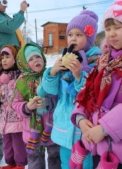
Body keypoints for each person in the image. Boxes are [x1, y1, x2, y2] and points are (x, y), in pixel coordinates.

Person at [71, 0, 122, 168]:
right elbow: (88, 91)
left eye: (118, 27)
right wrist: (80, 117)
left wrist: (104, 129)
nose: (111, 34)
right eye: (108, 29)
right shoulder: (105, 62)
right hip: (101, 146)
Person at [41, 10, 102, 169]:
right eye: (70, 34)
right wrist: (53, 72)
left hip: (83, 126)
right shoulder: (65, 58)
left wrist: (78, 75)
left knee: (84, 163)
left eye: (79, 34)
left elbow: (92, 92)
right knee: (66, 162)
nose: (73, 38)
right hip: (63, 122)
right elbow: (51, 90)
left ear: (89, 38)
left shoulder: (96, 61)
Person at [12, 43, 61, 169]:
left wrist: (49, 102)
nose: (36, 60)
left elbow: (60, 97)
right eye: (31, 59)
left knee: (55, 157)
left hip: (52, 127)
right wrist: (28, 106)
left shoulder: (51, 75)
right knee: (34, 160)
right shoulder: (21, 82)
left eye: (38, 57)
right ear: (25, 64)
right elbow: (15, 103)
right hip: (31, 129)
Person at [0, 45, 27, 169]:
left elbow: (18, 97)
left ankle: (20, 164)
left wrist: (4, 93)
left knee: (18, 143)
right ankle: (11, 163)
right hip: (4, 116)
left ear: (16, 58)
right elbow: (4, 99)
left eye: (8, 57)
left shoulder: (21, 77)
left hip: (16, 116)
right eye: (2, 57)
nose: (4, 60)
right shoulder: (2, 77)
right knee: (7, 142)